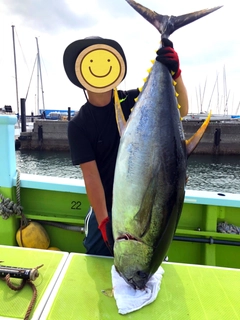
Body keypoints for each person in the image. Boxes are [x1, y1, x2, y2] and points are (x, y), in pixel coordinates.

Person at [63, 36, 188, 257]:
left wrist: (175, 74)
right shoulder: (79, 125)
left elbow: (182, 111)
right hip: (107, 208)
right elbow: (91, 177)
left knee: (151, 258)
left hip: (143, 202)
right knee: (97, 258)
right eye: (92, 63)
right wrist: (103, 222)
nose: (100, 69)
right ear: (79, 76)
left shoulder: (133, 101)